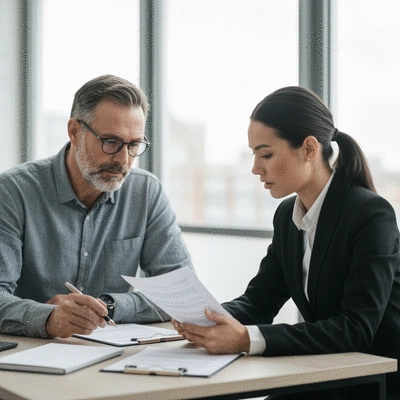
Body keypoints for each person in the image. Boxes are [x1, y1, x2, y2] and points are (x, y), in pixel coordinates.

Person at [173, 86, 400, 400]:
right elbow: (260, 301)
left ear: (308, 149)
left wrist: (245, 339)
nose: (256, 168)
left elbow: (356, 328)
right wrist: (207, 319)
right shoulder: (287, 217)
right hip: (326, 373)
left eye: (266, 154)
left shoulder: (371, 214)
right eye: (254, 155)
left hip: (373, 383)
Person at [0, 74, 193, 339]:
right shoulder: (12, 192)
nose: (123, 160)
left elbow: (181, 292)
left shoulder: (146, 192)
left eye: (134, 144)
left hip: (111, 354)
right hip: (27, 356)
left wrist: (107, 306)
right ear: (74, 131)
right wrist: (47, 318)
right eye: (110, 142)